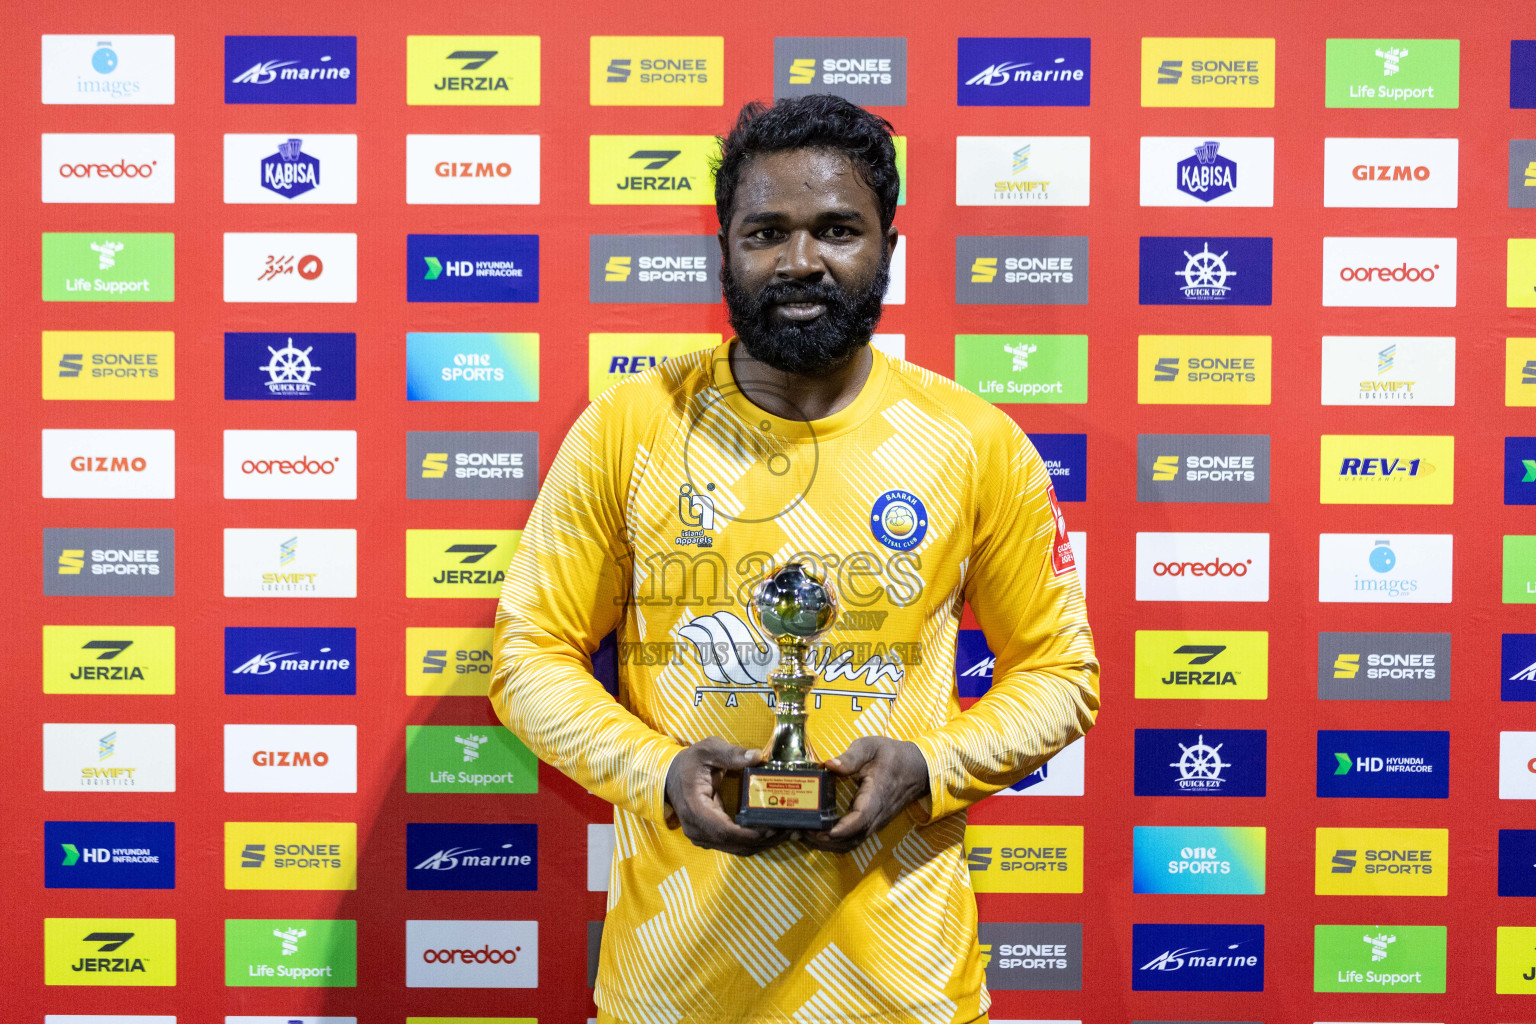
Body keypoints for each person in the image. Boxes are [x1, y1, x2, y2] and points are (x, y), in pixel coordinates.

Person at [490, 94, 1099, 1023]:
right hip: (676, 989)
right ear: (724, 248)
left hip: (903, 990)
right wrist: (655, 773)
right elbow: (529, 657)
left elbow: (1062, 673)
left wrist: (932, 769)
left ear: (888, 247)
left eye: (838, 229)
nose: (801, 262)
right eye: (766, 231)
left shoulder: (973, 441)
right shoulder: (631, 427)